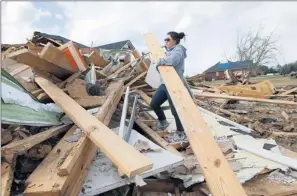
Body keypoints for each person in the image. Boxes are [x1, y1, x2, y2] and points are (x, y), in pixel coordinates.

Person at [150, 31, 187, 133]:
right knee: (154, 103)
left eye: (168, 39)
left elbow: (173, 61)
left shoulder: (178, 50)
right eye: (165, 40)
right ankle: (163, 122)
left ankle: (180, 132)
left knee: (175, 110)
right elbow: (162, 68)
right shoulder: (167, 52)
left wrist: (161, 61)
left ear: (175, 41)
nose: (165, 41)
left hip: (174, 84)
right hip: (164, 84)